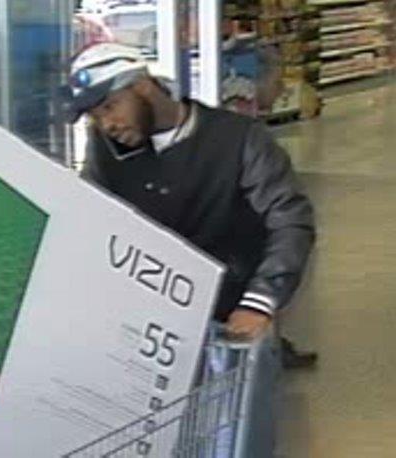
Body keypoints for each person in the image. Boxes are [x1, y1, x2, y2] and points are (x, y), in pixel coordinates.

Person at [61, 41, 315, 457]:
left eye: (108, 107)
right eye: (94, 116)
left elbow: (290, 219)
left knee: (233, 440)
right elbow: (96, 221)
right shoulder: (106, 153)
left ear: (143, 87)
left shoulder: (238, 140)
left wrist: (261, 301)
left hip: (231, 322)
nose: (104, 124)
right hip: (151, 330)